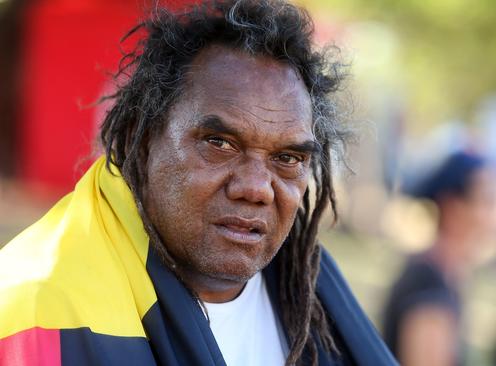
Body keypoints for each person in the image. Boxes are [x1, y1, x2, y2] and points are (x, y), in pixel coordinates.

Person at [0, 1, 397, 365]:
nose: (257, 188)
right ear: (143, 138)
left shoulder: (307, 284)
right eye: (219, 143)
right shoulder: (37, 306)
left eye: (287, 158)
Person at [382, 151, 496, 366]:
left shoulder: (447, 274)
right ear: (452, 205)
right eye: (487, 201)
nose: (495, 217)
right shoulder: (428, 282)